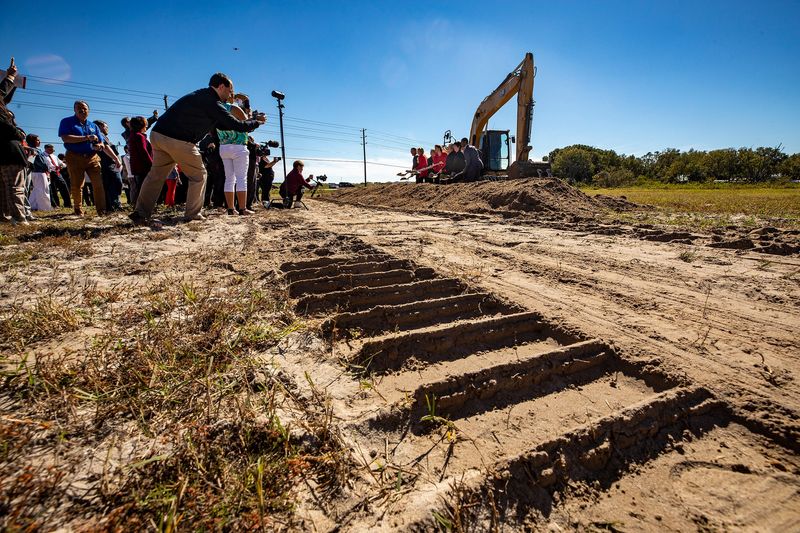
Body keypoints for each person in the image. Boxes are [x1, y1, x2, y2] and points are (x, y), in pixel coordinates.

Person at [130, 72, 264, 225]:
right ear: (221, 87)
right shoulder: (212, 102)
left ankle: (140, 213)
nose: (230, 94)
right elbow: (236, 125)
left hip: (158, 135)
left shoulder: (201, 97)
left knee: (155, 176)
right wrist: (256, 122)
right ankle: (193, 214)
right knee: (199, 175)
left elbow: (222, 124)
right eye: (229, 90)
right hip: (178, 139)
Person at [58, 100, 121, 216]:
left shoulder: (93, 126)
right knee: (77, 185)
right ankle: (78, 209)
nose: (82, 110)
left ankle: (102, 211)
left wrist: (99, 146)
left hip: (92, 157)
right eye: (79, 108)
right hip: (74, 156)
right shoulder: (67, 122)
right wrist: (86, 137)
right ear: (74, 110)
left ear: (88, 111)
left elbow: (103, 144)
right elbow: (66, 138)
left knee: (98, 184)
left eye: (84, 108)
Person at [0, 57, 29, 224]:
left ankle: (5, 218)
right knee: (15, 187)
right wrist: (11, 77)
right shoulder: (4, 122)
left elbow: (3, 99)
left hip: (3, 153)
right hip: (10, 151)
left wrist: (13, 83)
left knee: (4, 189)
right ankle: (19, 218)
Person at [217, 100, 252, 216]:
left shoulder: (215, 109)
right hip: (238, 145)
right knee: (241, 179)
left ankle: (231, 209)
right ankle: (242, 209)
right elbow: (248, 125)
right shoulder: (233, 108)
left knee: (229, 179)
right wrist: (251, 114)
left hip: (223, 146)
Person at [93, 120, 124, 211]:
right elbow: (106, 147)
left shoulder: (103, 137)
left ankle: (111, 206)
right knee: (115, 183)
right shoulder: (100, 136)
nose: (107, 129)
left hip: (108, 164)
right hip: (108, 164)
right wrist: (116, 159)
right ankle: (115, 206)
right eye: (105, 127)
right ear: (99, 127)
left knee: (111, 185)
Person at [127, 116, 152, 206]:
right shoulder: (139, 136)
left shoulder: (132, 135)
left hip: (137, 167)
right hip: (143, 167)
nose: (146, 127)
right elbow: (144, 152)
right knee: (144, 188)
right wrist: (152, 165)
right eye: (146, 125)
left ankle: (139, 206)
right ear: (142, 125)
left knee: (140, 187)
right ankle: (142, 207)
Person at [25, 134, 54, 211]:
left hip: (38, 172)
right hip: (39, 172)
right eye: (37, 140)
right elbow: (33, 162)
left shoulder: (38, 150)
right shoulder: (33, 150)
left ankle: (32, 205)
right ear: (32, 141)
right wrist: (47, 168)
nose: (39, 141)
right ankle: (45, 207)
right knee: (43, 190)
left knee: (37, 190)